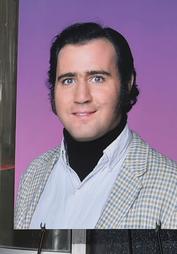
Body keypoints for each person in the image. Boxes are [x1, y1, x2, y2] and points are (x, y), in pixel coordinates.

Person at [15, 22, 177, 229]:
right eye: (68, 80)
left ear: (127, 83)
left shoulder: (171, 188)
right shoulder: (32, 176)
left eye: (97, 78)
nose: (81, 97)